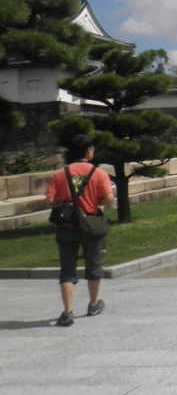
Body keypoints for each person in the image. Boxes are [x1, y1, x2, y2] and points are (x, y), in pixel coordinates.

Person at [45, 134, 115, 326]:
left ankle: (67, 311)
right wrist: (94, 202)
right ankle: (93, 303)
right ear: (88, 150)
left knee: (67, 270)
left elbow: (50, 201)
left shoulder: (60, 174)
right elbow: (108, 199)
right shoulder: (98, 173)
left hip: (66, 226)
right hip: (91, 224)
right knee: (93, 265)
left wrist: (66, 202)